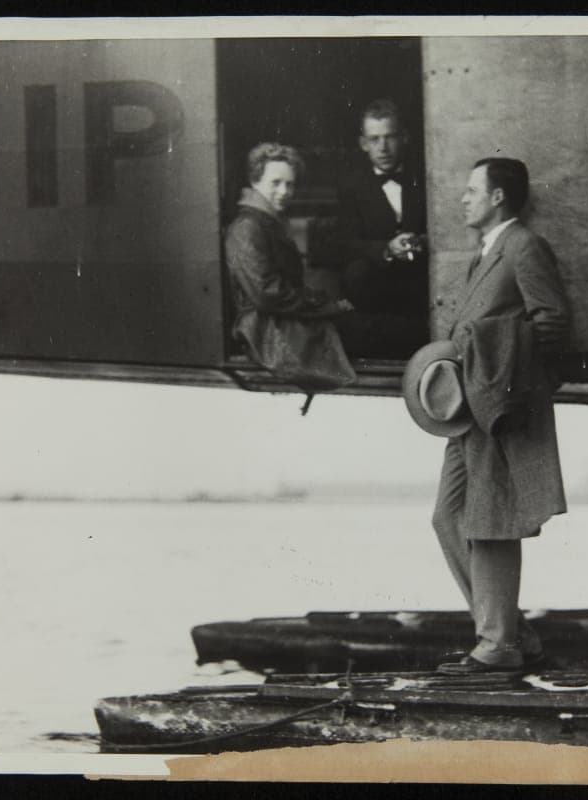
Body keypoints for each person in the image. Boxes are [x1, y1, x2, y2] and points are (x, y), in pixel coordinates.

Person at [431, 157, 570, 675]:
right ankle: (515, 634)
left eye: (472, 190)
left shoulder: (523, 246)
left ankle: (497, 646)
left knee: (491, 523)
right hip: (470, 411)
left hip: (500, 407)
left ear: (497, 198)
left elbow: (553, 321)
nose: (463, 198)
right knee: (448, 517)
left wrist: (515, 386)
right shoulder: (485, 254)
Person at [225, 142, 356, 391]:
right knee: (369, 331)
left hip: (283, 319)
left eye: (290, 184)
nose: (284, 191)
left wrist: (326, 303)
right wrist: (325, 307)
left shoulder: (266, 222)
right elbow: (268, 294)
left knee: (363, 324)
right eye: (275, 183)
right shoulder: (247, 228)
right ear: (255, 181)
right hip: (267, 331)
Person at [335, 99, 429, 356]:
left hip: (420, 280)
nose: (383, 148)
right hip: (376, 285)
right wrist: (386, 249)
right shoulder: (352, 187)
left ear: (404, 138)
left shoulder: (426, 177)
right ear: (363, 144)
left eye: (390, 137)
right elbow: (346, 243)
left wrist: (422, 240)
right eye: (374, 139)